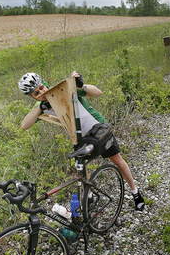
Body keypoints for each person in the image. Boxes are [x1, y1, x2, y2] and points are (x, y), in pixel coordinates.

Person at [18, 70, 145, 211]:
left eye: (41, 87)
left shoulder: (63, 90)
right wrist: (40, 107)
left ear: (44, 83)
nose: (41, 92)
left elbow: (97, 93)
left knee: (117, 160)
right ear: (31, 96)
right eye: (36, 93)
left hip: (97, 128)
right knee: (81, 170)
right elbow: (25, 125)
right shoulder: (41, 105)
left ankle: (135, 192)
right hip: (79, 137)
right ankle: (89, 196)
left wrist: (80, 85)